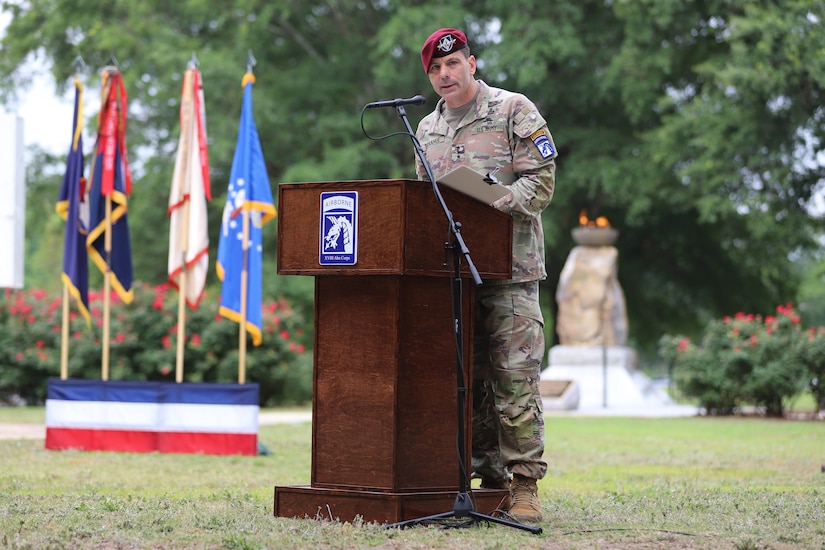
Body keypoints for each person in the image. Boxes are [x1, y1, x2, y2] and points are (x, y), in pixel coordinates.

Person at [414, 28, 557, 524]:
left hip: (510, 270)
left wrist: (494, 203)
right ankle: (484, 480)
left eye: (452, 65)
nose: (444, 75)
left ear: (472, 63)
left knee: (514, 378)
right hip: (454, 276)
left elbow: (540, 184)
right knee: (466, 380)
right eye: (435, 69)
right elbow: (424, 201)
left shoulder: (513, 109)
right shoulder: (426, 130)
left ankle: (524, 486)